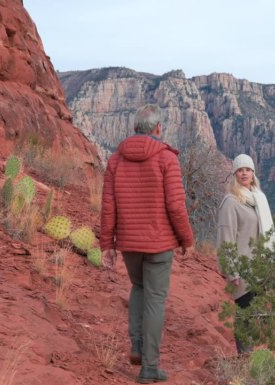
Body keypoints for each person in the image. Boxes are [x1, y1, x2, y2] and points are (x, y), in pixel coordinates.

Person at [100, 104, 194, 384]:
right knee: (155, 299)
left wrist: (107, 243)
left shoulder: (116, 160)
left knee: (138, 288)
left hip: (129, 243)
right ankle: (150, 366)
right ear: (157, 128)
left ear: (134, 129)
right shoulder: (167, 159)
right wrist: (187, 239)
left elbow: (108, 205)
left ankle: (137, 345)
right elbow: (176, 206)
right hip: (159, 244)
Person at [216, 153, 275, 353]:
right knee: (244, 314)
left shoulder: (258, 198)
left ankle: (249, 355)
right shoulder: (231, 202)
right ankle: (245, 356)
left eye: (248, 169)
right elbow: (226, 237)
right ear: (234, 174)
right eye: (240, 170)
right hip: (242, 267)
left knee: (253, 314)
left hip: (258, 267)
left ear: (253, 173)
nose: (244, 173)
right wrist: (231, 271)